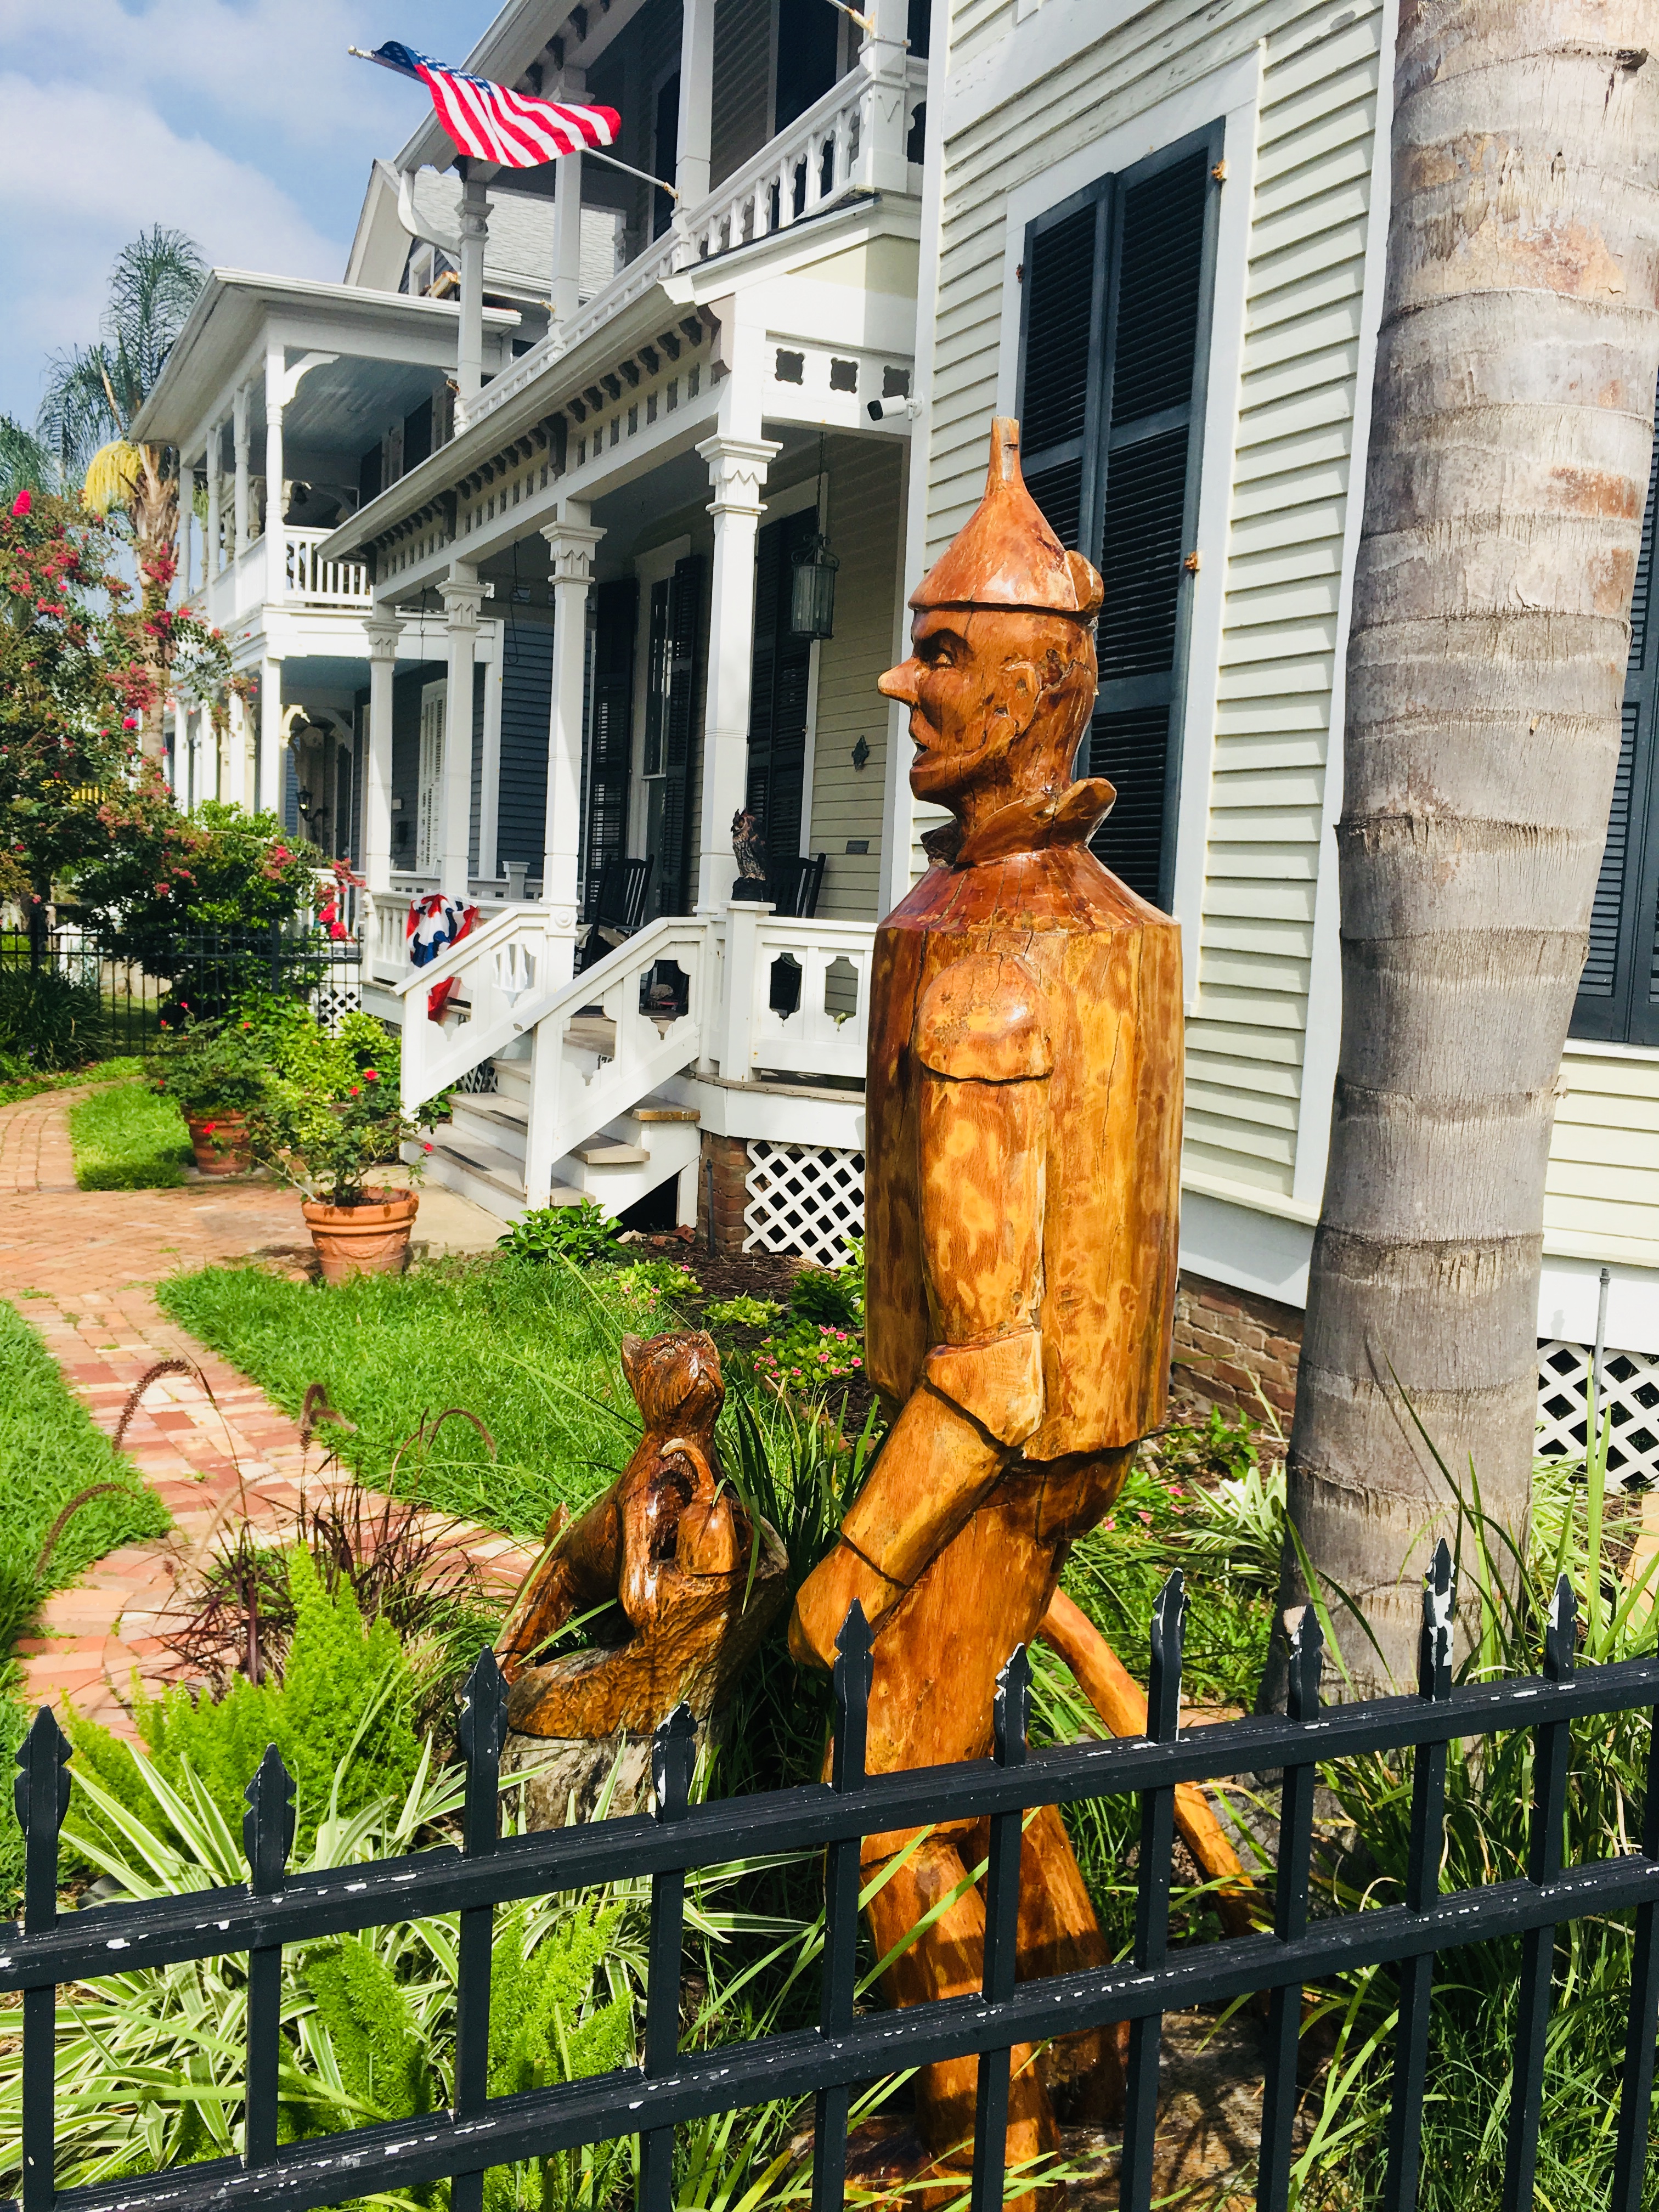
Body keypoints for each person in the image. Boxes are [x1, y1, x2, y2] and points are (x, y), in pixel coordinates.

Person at [789, 417, 1184, 2175]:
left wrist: (863, 1554)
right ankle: (1092, 2047)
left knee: (890, 1778)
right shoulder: (1112, 921)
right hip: (1081, 1429)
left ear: (1039, 692)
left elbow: (997, 1342)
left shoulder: (985, 961)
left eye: (946, 653)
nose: (901, 677)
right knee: (973, 1747)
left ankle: (983, 2127)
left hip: (995, 1433)